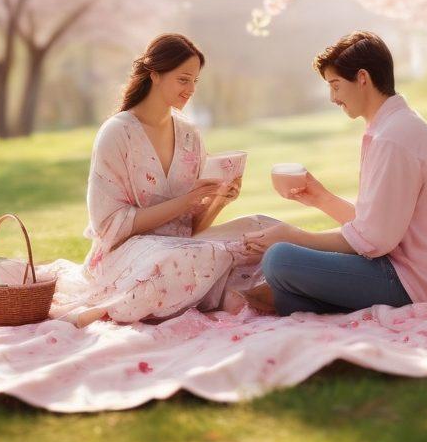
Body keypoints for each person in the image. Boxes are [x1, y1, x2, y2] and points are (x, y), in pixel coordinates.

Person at [47, 33, 278, 326]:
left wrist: (218, 201)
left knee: (263, 228)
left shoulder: (189, 134)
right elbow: (108, 227)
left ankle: (220, 291)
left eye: (195, 81)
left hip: (184, 246)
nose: (191, 89)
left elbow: (190, 228)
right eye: (183, 79)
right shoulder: (117, 133)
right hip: (129, 254)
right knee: (187, 259)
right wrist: (186, 201)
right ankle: (116, 306)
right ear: (155, 74)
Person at [243, 31, 427, 316]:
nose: (333, 98)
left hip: (417, 282)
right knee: (286, 273)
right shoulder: (394, 126)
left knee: (280, 259)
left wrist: (293, 235)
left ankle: (283, 296)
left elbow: (375, 241)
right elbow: (375, 228)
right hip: (420, 271)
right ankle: (287, 298)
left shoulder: (394, 138)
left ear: (362, 78)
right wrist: (321, 198)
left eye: (335, 85)